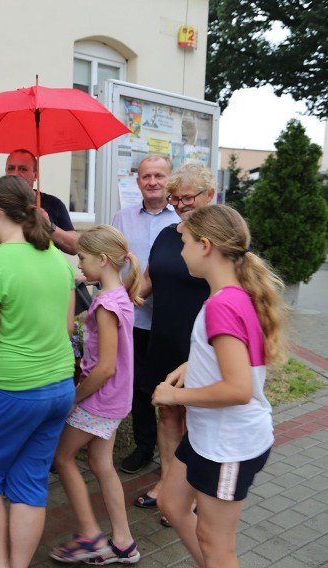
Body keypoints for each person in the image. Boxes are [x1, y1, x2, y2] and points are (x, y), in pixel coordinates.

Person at [0, 175, 76, 568]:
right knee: (30, 482)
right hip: (58, 388)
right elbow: (68, 328)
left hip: (11, 391)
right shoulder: (58, 258)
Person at [153, 205, 286, 567]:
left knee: (216, 547)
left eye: (185, 242)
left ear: (205, 245)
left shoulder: (222, 305)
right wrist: (191, 364)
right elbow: (231, 354)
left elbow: (239, 389)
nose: (181, 252)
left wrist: (175, 396)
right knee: (171, 502)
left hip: (228, 445)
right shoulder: (230, 295)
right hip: (206, 436)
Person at [50, 225, 143, 565]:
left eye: (83, 259)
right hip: (117, 399)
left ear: (103, 260)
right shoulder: (123, 296)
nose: (80, 267)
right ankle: (123, 542)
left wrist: (75, 396)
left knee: (61, 458)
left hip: (99, 400)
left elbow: (104, 367)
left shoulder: (105, 304)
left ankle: (91, 538)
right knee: (101, 463)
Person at [134, 163, 214, 525]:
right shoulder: (168, 234)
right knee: (167, 413)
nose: (180, 204)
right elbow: (150, 277)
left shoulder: (220, 239)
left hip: (201, 343)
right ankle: (168, 485)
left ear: (209, 196)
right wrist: (120, 299)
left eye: (188, 197)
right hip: (163, 337)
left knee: (197, 420)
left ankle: (193, 492)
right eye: (175, 198)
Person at [112, 155, 179, 474]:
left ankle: (177, 453)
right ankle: (144, 445)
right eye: (145, 176)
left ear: (170, 180)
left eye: (159, 176)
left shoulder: (182, 218)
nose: (152, 181)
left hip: (171, 322)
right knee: (138, 385)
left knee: (171, 388)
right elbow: (109, 261)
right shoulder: (122, 218)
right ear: (137, 181)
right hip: (135, 320)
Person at [0, 149, 78, 259]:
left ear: (35, 175)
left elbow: (75, 246)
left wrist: (49, 227)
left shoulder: (54, 204)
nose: (15, 173)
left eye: (23, 169)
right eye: (11, 168)